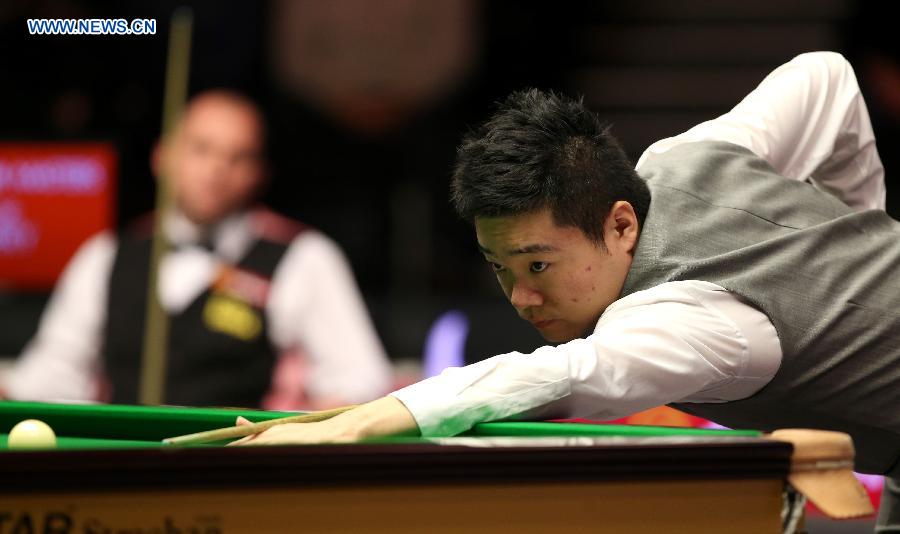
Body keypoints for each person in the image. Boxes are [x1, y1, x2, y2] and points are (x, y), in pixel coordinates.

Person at [236, 52, 900, 524]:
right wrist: (859, 235)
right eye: (501, 269)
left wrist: (358, 424)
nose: (521, 298)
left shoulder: (692, 321)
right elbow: (827, 79)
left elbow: (554, 378)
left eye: (538, 266)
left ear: (619, 225)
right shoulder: (678, 159)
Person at [2, 90, 392, 409]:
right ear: (162, 156)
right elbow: (52, 375)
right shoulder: (105, 256)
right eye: (201, 149)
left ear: (258, 175)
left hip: (241, 476)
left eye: (239, 157)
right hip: (118, 470)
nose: (217, 169)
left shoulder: (304, 257)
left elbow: (358, 380)